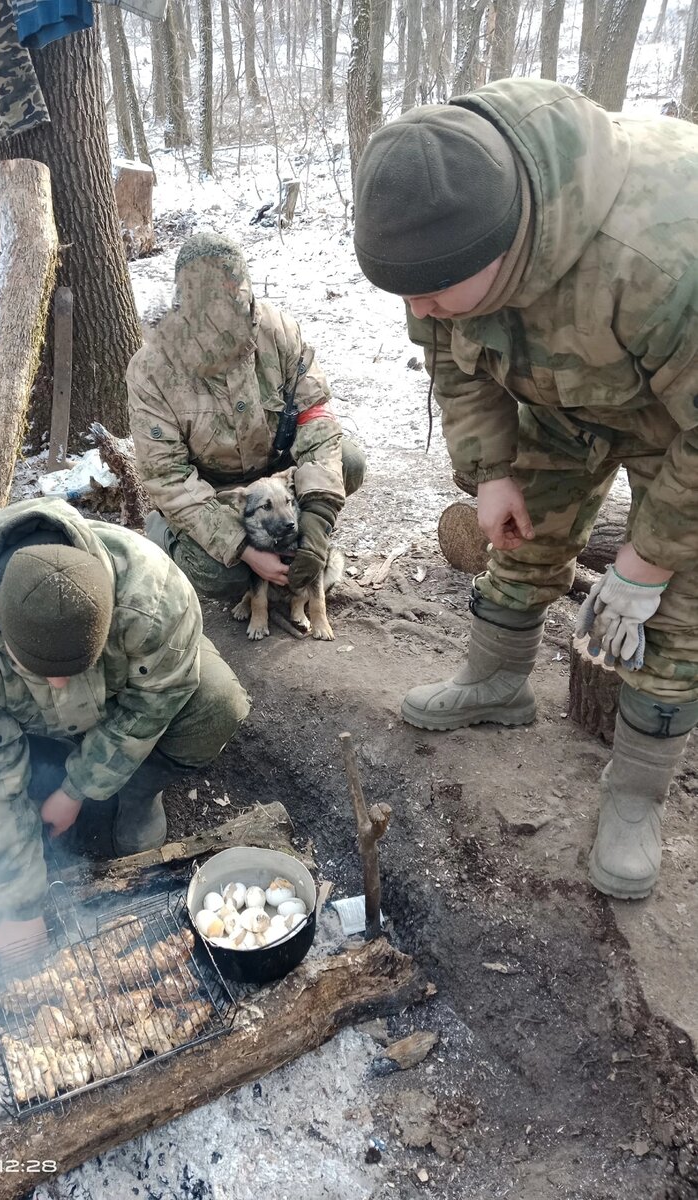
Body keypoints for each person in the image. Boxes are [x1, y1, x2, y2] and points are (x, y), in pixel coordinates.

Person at [352, 78, 698, 900]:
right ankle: (498, 682)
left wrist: (645, 563)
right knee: (521, 540)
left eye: (431, 293)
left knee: (675, 607)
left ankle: (636, 792)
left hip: (677, 416)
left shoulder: (663, 256)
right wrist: (493, 473)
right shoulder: (429, 231)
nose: (417, 308)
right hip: (561, 392)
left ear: (506, 250)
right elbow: (449, 361)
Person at [0, 497, 250, 959]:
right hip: (16, 725)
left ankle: (134, 795)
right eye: (38, 668)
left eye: (78, 664)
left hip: (110, 708)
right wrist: (18, 906)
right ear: (1, 633)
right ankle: (24, 809)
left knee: (218, 704)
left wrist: (77, 788)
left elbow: (156, 698)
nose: (58, 683)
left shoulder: (152, 595)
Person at [127, 232, 366, 601]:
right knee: (221, 577)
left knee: (348, 460)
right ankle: (165, 534)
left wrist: (316, 521)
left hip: (278, 478)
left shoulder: (278, 331)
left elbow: (317, 420)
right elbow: (168, 478)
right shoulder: (152, 371)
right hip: (212, 492)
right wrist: (243, 548)